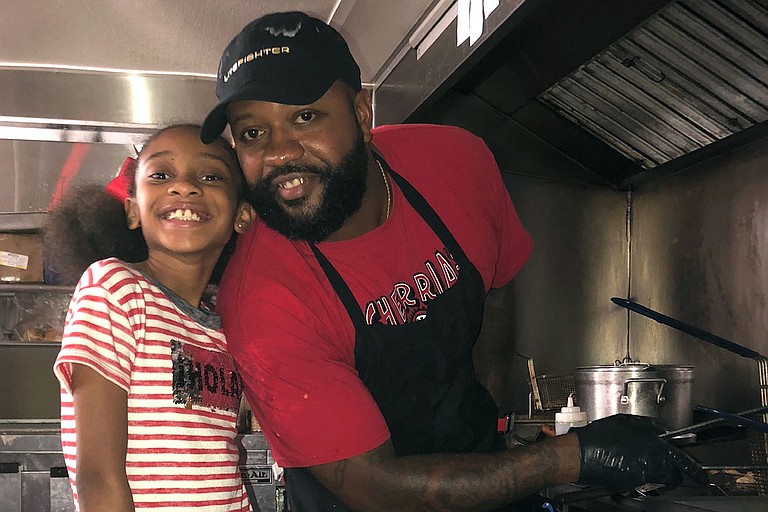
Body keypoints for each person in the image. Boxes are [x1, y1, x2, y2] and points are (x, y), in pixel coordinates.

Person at [200, 12, 708, 511]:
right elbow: (376, 487)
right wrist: (572, 457)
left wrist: (481, 423)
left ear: (360, 114)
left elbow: (496, 287)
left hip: (478, 474)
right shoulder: (262, 300)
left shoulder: (455, 163)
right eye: (251, 133)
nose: (279, 152)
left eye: (304, 117)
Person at [47, 124, 255, 512]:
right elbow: (98, 473)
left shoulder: (222, 326)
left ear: (242, 215)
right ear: (132, 209)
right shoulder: (114, 287)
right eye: (161, 175)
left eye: (210, 176)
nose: (185, 186)